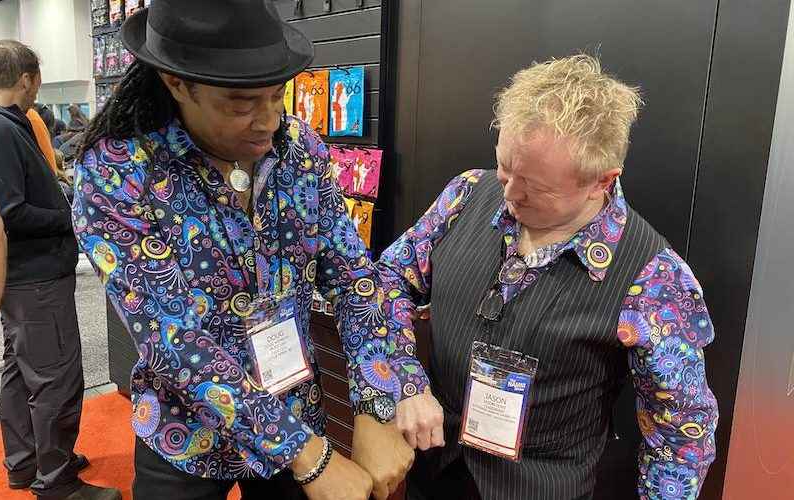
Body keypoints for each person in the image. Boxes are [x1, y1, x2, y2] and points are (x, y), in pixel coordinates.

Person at [72, 2, 443, 500]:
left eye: (277, 94)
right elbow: (173, 339)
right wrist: (307, 455)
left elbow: (355, 277)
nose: (268, 120)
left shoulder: (300, 150)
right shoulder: (118, 171)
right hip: (186, 433)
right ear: (177, 83)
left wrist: (376, 401)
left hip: (295, 404)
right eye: (242, 103)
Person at [378, 55, 719, 500]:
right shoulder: (465, 195)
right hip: (436, 471)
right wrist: (406, 381)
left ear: (601, 181)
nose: (509, 193)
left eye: (536, 186)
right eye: (505, 167)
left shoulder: (655, 280)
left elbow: (683, 435)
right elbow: (388, 280)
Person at [0, 39, 122, 500]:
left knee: (21, 371)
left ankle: (28, 462)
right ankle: (58, 481)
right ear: (27, 79)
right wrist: (73, 216)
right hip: (35, 279)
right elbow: (12, 212)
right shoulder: (2, 128)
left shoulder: (9, 125)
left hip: (25, 277)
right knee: (56, 379)